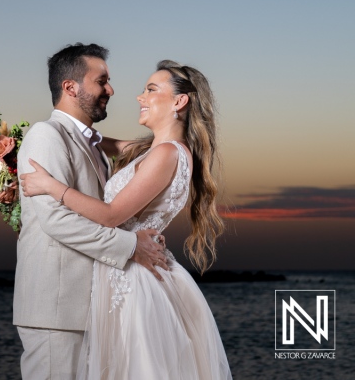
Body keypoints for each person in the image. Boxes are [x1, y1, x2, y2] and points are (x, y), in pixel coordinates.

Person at [20, 60, 232, 379]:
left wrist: (51, 186)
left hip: (135, 278)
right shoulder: (150, 150)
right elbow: (94, 141)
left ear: (179, 101)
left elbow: (111, 215)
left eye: (150, 89)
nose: (139, 96)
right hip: (120, 273)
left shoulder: (167, 154)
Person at [13, 43, 168, 379]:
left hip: (92, 306)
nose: (110, 90)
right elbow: (57, 221)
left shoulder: (95, 147)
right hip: (56, 308)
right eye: (102, 81)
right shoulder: (46, 135)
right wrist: (131, 247)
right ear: (71, 87)